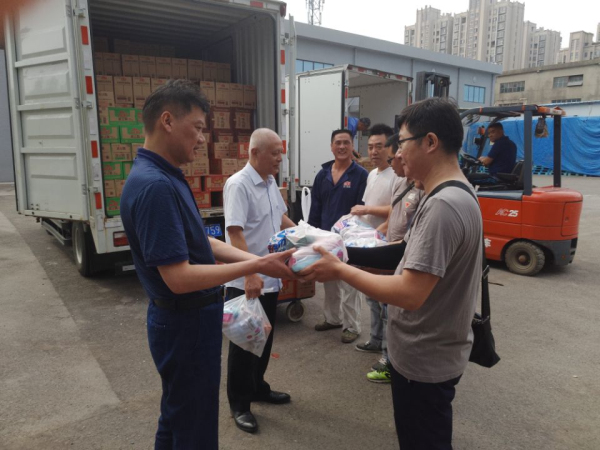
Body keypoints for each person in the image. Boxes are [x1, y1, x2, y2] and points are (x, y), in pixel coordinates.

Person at [120, 80, 295, 450]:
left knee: (177, 417)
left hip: (187, 322)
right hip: (185, 324)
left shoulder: (166, 176)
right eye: (198, 128)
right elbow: (179, 278)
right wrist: (252, 268)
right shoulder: (156, 186)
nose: (202, 139)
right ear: (168, 121)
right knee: (195, 428)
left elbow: (204, 242)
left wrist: (258, 261)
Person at [299, 98, 483, 449]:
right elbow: (401, 254)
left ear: (430, 142)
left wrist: (339, 269)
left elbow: (409, 293)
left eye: (403, 142)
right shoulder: (446, 193)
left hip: (424, 357)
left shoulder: (443, 205)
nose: (398, 153)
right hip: (428, 351)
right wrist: (342, 253)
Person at [223, 128, 296, 434]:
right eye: (274, 153)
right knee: (244, 343)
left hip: (269, 278)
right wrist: (250, 272)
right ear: (254, 153)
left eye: (281, 153)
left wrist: (307, 235)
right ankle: (240, 404)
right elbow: (235, 232)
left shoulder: (269, 183)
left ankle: (257, 388)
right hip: (247, 280)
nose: (280, 159)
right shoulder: (239, 184)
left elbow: (281, 220)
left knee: (263, 340)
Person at [366, 133, 424, 384]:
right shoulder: (401, 183)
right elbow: (394, 215)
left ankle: (390, 361)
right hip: (389, 251)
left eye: (393, 157)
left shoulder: (424, 189)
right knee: (380, 305)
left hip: (401, 257)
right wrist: (376, 234)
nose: (393, 162)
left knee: (393, 312)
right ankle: (381, 348)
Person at [308, 129, 368, 343]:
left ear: (352, 147)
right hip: (326, 238)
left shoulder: (360, 175)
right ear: (331, 147)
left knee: (350, 284)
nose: (342, 147)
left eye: (346, 143)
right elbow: (315, 207)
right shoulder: (322, 174)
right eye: (338, 143)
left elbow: (363, 209)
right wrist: (312, 234)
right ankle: (333, 319)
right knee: (330, 281)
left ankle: (352, 326)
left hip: (350, 239)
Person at [349, 124, 395, 357]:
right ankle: (375, 340)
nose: (374, 151)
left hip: (387, 245)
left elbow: (398, 210)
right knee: (371, 298)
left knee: (386, 301)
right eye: (370, 147)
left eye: (379, 146)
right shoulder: (372, 175)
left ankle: (388, 352)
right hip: (369, 242)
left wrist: (367, 211)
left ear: (391, 147)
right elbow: (367, 207)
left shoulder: (397, 175)